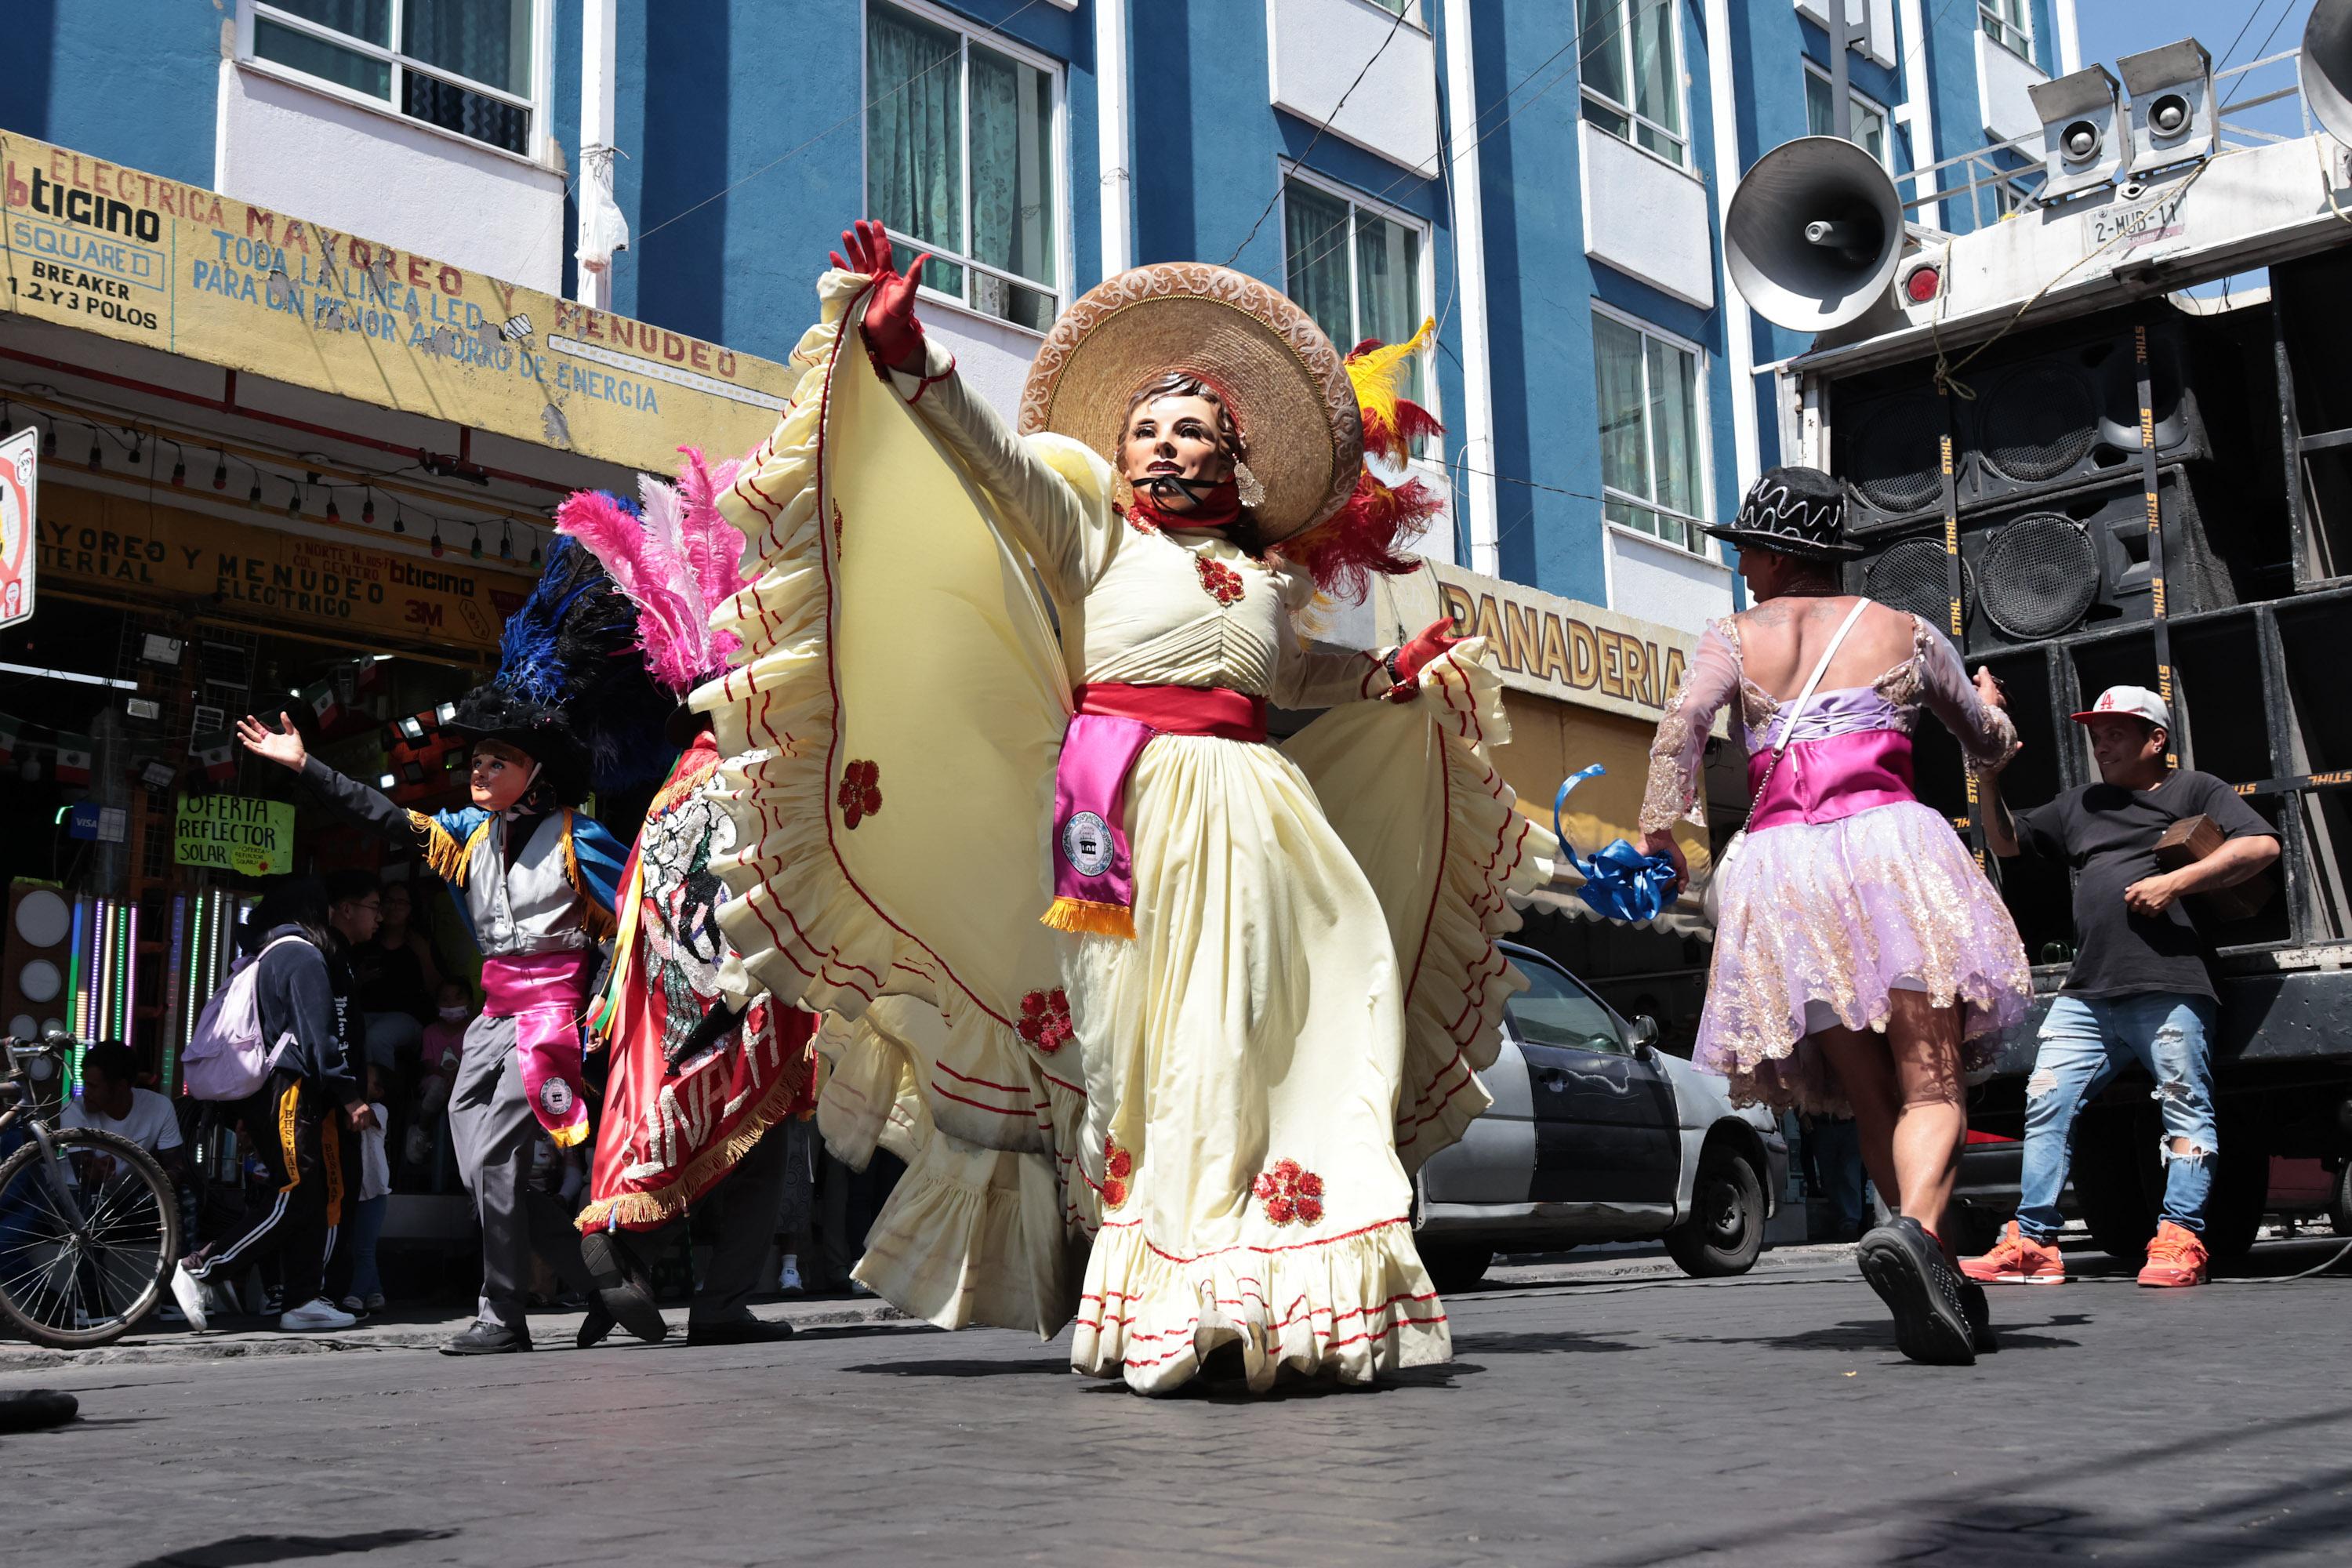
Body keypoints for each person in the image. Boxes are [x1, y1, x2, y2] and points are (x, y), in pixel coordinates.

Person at [694, 223, 1550, 1394]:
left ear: (1237, 462)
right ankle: (1178, 1292)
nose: (1161, 444)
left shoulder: (1268, 581)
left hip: (1263, 824)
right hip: (1124, 818)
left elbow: (1291, 683)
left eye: (1189, 428)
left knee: (1272, 1036)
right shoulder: (1089, 535)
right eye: (1144, 427)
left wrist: (1392, 678)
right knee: (1154, 1051)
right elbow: (1000, 465)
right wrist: (914, 363)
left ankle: (1276, 1277)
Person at [237, 535, 673, 1355]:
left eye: (495, 758)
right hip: (485, 1023)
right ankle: (597, 1276)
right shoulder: (465, 839)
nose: (476, 768)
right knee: (483, 1173)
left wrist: (611, 1016)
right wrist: (305, 766)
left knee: (502, 1155)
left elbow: (636, 925)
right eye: (475, 757)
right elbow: (383, 815)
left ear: (535, 773)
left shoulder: (583, 839)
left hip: (550, 1022)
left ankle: (501, 1315)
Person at [1640, 465, 2032, 1367]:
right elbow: (1989, 741)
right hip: (1891, 853)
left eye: (1746, 549)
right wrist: (2000, 713)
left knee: (1869, 1093)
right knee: (1933, 1083)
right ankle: (1924, 1243)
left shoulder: (1732, 637)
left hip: (1782, 874)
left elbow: (1681, 726)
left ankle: (1915, 1244)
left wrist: (1663, 836)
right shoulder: (1906, 631)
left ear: (1779, 554)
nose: (1740, 565)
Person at [554, 461, 822, 1349]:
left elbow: (640, 900)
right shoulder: (759, 777)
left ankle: (625, 1240)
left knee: (657, 1112)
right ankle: (719, 1296)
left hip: (658, 990)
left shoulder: (676, 784)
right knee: (753, 1128)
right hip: (738, 982)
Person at [1963, 685, 2281, 1290]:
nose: (2101, 744)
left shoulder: (2194, 789)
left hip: (2170, 984)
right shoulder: (2082, 803)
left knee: (2185, 1108)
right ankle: (2032, 1243)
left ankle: (2180, 1241)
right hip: (2088, 995)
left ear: (2155, 739)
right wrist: (1990, 778)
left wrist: (2177, 883)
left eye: (2116, 733)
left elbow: (2262, 845)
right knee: (2047, 1102)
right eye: (2096, 734)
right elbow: (2006, 842)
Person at [169, 879, 378, 1334]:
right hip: (293, 1090)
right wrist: (350, 1095)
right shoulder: (301, 955)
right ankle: (202, 1268)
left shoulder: (272, 954)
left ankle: (302, 1301)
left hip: (283, 1091)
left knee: (309, 1195)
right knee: (299, 1193)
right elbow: (317, 1036)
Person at [350, 879, 440, 1073]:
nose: (393, 907)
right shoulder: (367, 942)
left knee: (377, 1037)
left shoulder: (421, 943)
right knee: (354, 1031)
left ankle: (382, 1092)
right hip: (367, 1012)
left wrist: (424, 956)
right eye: (388, 901)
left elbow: (438, 992)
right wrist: (359, 979)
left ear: (411, 909)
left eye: (401, 903)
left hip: (408, 1019)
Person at [343, 1061, 393, 1314]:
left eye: (366, 1081)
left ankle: (356, 1296)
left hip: (374, 1191)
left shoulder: (378, 1110)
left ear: (378, 1091)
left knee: (364, 1247)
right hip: (354, 1191)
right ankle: (375, 1291)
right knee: (360, 1245)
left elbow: (361, 1119)